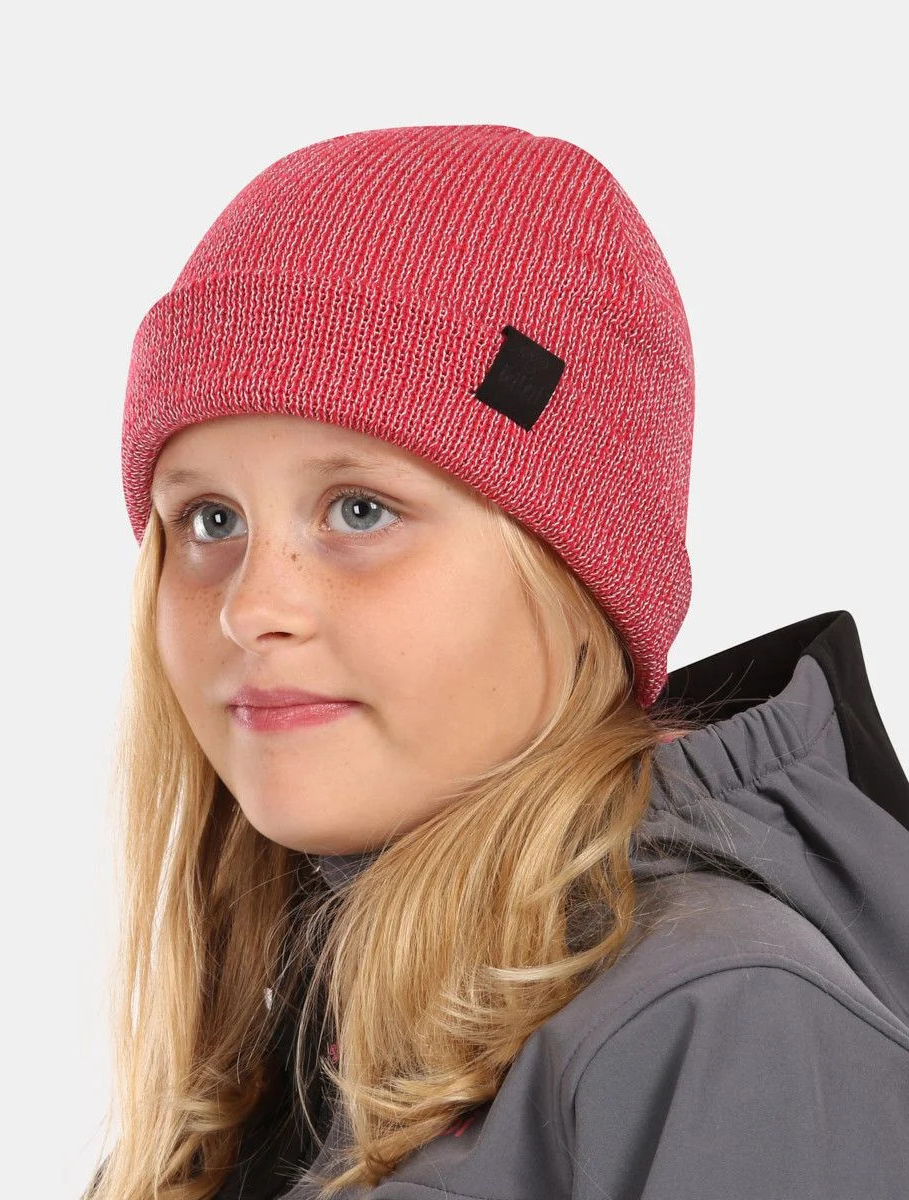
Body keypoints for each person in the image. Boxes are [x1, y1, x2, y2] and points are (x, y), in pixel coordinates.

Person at [83, 125, 909, 1200]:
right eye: (209, 519)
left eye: (360, 510)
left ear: (574, 576)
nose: (252, 608)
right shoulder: (266, 1068)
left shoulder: (719, 1027)